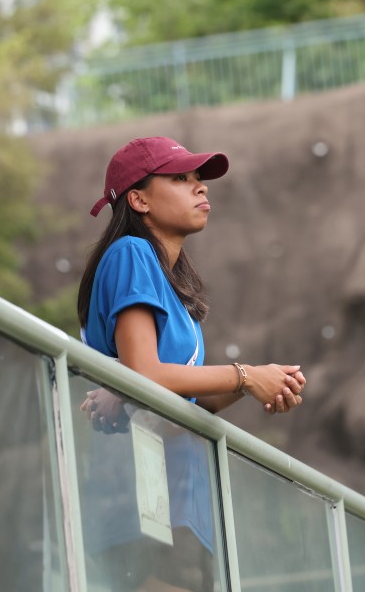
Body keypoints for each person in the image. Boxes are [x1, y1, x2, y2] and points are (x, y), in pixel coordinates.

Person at [76, 136, 307, 592]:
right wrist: (244, 375)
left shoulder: (170, 284)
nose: (200, 189)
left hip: (179, 495)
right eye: (181, 179)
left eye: (199, 180)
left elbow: (189, 398)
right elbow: (144, 377)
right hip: (140, 489)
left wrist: (259, 383)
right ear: (138, 199)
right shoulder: (131, 253)